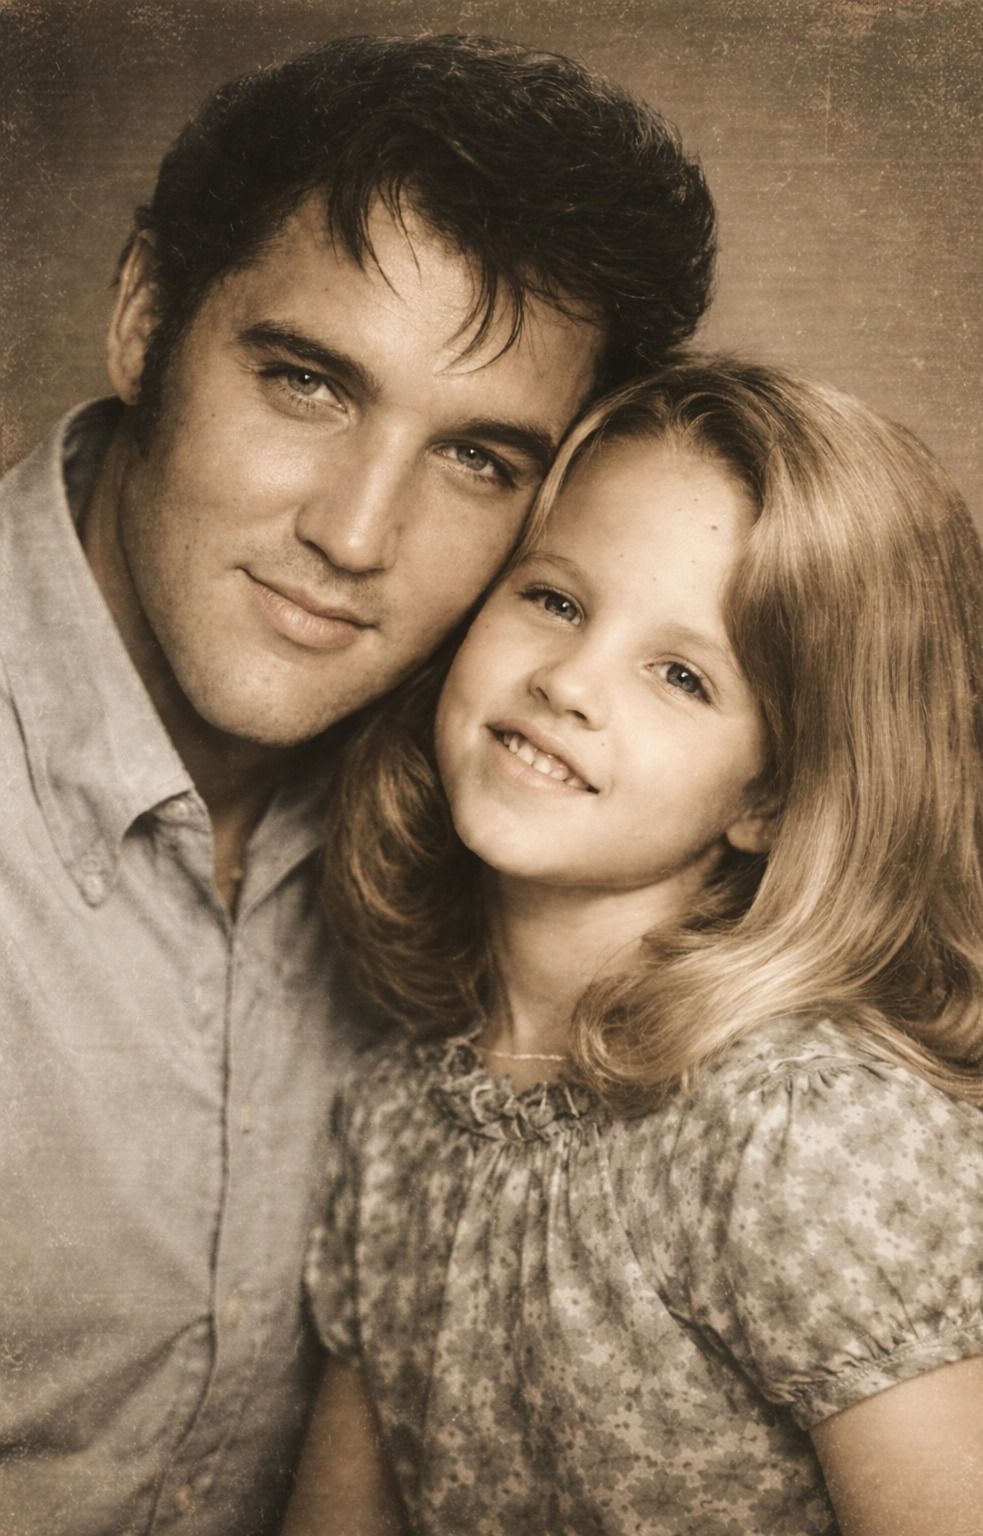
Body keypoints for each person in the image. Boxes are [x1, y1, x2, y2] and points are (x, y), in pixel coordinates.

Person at [0, 34, 717, 1536]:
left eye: (477, 459)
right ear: (144, 319)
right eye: (310, 384)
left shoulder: (522, 819)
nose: (357, 534)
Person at [288, 357, 983, 1536]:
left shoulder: (811, 1145)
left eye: (681, 675)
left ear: (773, 796)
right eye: (554, 600)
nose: (569, 681)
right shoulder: (397, 1124)